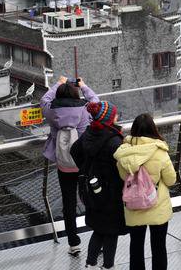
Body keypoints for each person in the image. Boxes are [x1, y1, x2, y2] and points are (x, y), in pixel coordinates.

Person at [40, 75, 99, 255]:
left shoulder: (51, 111)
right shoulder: (84, 109)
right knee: (93, 197)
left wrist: (59, 83)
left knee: (69, 202)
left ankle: (73, 243)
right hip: (84, 162)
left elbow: (44, 99)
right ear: (76, 93)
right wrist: (83, 85)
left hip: (63, 163)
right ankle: (100, 238)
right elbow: (96, 101)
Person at [114, 114, 177, 270]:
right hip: (157, 205)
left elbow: (123, 177)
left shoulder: (124, 152)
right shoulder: (160, 151)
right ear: (153, 129)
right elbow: (171, 180)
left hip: (134, 205)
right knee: (159, 247)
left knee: (135, 246)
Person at [70, 101, 127, 269]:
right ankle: (108, 266)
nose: (117, 116)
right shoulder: (114, 140)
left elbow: (74, 150)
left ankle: (90, 264)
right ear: (109, 119)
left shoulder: (89, 133)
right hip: (111, 193)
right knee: (111, 232)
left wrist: (86, 170)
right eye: (115, 114)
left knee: (99, 230)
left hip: (92, 190)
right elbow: (122, 166)